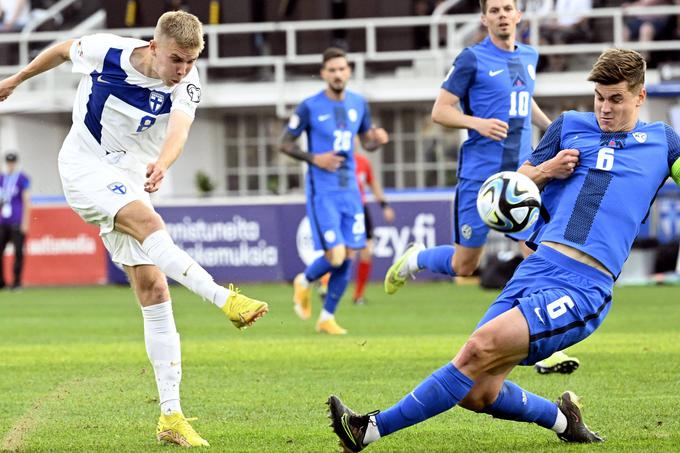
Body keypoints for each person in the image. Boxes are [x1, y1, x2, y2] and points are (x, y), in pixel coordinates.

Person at [328, 47, 680, 451]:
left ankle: (368, 428)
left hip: (584, 287)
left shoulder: (663, 142)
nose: (604, 108)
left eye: (616, 99)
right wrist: (546, 171)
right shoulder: (568, 126)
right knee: (476, 391)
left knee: (477, 349)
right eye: (599, 97)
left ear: (640, 96)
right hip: (536, 267)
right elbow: (520, 179)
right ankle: (563, 419)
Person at [0, 11, 269, 447]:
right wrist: (17, 78)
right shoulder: (108, 51)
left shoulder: (188, 80)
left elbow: (180, 128)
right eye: (177, 60)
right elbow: (64, 50)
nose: (183, 70)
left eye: (191, 61)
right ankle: (224, 297)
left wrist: (163, 163)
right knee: (150, 224)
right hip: (84, 167)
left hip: (129, 175)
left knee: (154, 290)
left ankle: (171, 418)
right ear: (154, 47)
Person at [384, 0, 577, 375]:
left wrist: (556, 128)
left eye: (508, 8)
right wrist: (476, 124)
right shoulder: (472, 58)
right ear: (484, 18)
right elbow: (440, 111)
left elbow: (524, 99)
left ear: (519, 15)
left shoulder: (530, 55)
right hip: (480, 180)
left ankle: (542, 346)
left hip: (520, 179)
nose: (502, 15)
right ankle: (415, 260)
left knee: (534, 257)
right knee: (464, 265)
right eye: (495, 10)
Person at [280, 47, 389, 335]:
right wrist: (315, 159)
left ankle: (326, 317)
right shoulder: (309, 106)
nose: (338, 74)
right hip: (323, 190)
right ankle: (303, 282)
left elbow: (366, 142)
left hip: (350, 190)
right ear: (324, 73)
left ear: (349, 71)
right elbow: (285, 143)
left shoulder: (358, 104)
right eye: (332, 70)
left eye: (342, 69)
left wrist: (377, 140)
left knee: (351, 254)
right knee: (336, 255)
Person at [351, 151, 395, 305]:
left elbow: (372, 183)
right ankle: (325, 284)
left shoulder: (363, 161)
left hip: (361, 210)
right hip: (342, 210)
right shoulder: (336, 160)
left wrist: (384, 205)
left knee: (367, 251)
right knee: (343, 254)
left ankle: (358, 295)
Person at [0, 151, 30, 290]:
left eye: (12, 162)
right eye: (8, 162)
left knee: (18, 252)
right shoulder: (1, 179)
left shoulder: (22, 178)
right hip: (2, 221)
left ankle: (16, 282)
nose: (10, 165)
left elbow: (26, 201)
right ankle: (2, 282)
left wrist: (25, 222)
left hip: (16, 220)